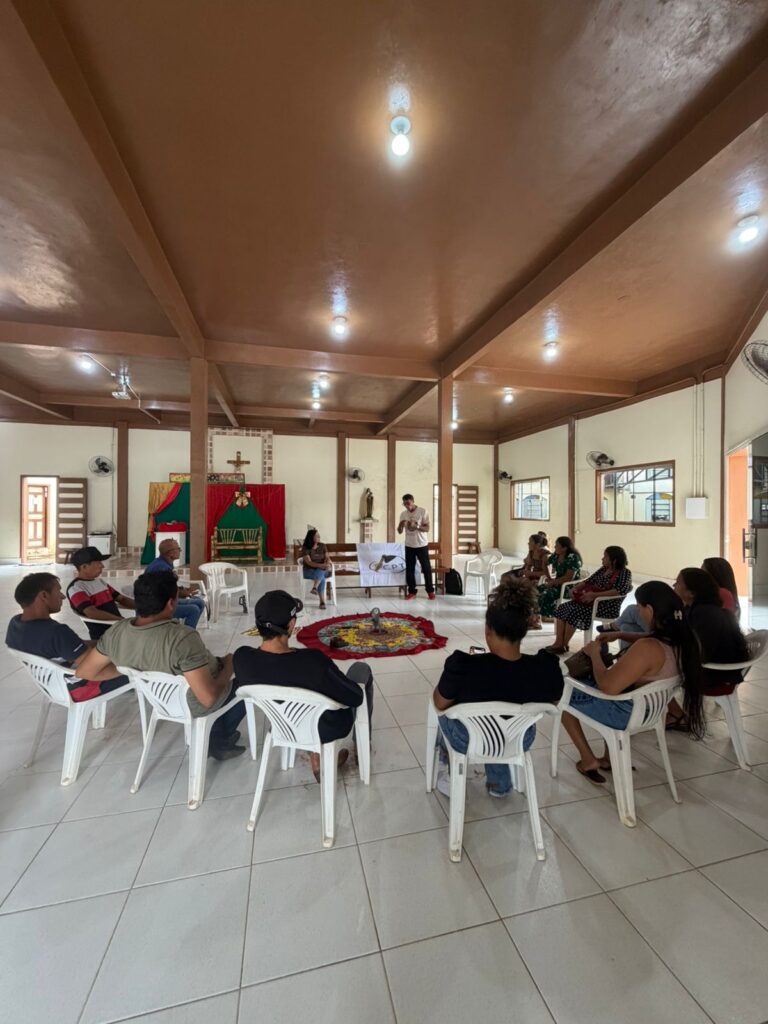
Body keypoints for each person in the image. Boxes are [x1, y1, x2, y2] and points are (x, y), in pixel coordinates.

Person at [75, 573, 244, 760]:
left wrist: (130, 669)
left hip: (162, 700)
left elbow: (85, 671)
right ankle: (219, 739)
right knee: (247, 675)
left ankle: (218, 731)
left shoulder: (117, 631)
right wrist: (230, 666)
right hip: (192, 703)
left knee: (219, 665)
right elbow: (207, 699)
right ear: (171, 603)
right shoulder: (182, 637)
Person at [432, 576, 564, 798]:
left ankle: (447, 769)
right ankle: (500, 783)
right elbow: (553, 700)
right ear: (524, 630)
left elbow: (439, 703)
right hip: (519, 739)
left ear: (488, 630)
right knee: (504, 719)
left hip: (470, 741)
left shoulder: (463, 666)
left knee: (446, 715)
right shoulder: (546, 667)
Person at [561, 580, 704, 784]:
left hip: (626, 712)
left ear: (650, 610)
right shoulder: (685, 639)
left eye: (639, 606)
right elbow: (649, 636)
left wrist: (594, 655)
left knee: (562, 695)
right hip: (652, 710)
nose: (637, 610)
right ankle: (608, 759)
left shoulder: (647, 649)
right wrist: (620, 634)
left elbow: (607, 687)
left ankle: (588, 760)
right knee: (615, 685)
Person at [233, 591, 374, 780]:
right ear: (291, 625)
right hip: (327, 728)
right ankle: (360, 746)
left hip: (283, 726)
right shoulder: (312, 661)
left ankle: (316, 758)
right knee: (361, 670)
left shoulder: (242, 658)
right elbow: (355, 697)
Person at [5, 572, 129, 701]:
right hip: (78, 688)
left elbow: (74, 645)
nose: (63, 596)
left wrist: (110, 643)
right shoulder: (56, 632)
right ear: (44, 595)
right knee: (141, 667)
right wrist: (129, 670)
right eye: (58, 591)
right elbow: (92, 670)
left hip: (50, 685)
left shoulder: (16, 624)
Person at [666, 567, 750, 730]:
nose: (674, 585)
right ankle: (674, 713)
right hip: (720, 671)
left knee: (653, 671)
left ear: (692, 593)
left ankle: (676, 715)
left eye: (678, 583)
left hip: (714, 675)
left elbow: (698, 652)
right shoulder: (703, 610)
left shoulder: (703, 615)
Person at [546, 546, 632, 655]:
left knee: (574, 612)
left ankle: (563, 644)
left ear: (614, 560)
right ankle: (559, 643)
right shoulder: (603, 569)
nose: (602, 559)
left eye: (605, 556)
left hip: (605, 605)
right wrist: (576, 587)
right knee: (563, 607)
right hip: (588, 601)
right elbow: (588, 581)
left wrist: (595, 595)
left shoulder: (624, 573)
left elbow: (620, 590)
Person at [66, 546, 135, 640]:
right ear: (84, 567)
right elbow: (92, 613)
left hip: (118, 627)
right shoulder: (76, 588)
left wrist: (145, 606)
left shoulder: (100, 582)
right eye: (98, 563)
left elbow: (121, 599)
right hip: (105, 634)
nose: (102, 566)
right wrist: (121, 620)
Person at [144, 538, 207, 628]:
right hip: (156, 608)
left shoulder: (163, 564)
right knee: (194, 610)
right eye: (178, 549)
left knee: (200, 603)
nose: (180, 551)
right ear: (171, 553)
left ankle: (184, 631)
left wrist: (183, 590)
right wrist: (183, 593)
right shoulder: (162, 568)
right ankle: (185, 637)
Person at [536, 536, 582, 624]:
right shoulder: (556, 555)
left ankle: (550, 616)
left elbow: (569, 578)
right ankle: (538, 616)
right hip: (557, 583)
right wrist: (549, 578)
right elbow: (545, 563)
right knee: (536, 590)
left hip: (568, 587)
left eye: (557, 546)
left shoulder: (573, 558)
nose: (554, 547)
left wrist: (552, 582)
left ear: (564, 548)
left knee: (547, 593)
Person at [398, 494, 435, 601]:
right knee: (410, 569)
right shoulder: (403, 514)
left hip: (421, 545)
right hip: (409, 545)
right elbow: (400, 531)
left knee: (426, 568)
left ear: (413, 501)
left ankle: (430, 591)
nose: (406, 506)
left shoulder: (423, 511)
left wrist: (417, 526)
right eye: (404, 504)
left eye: (408, 503)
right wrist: (400, 525)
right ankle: (412, 591)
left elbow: (427, 528)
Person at [300, 528, 333, 610]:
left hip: (322, 570)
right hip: (308, 571)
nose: (319, 537)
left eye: (319, 535)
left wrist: (328, 562)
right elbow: (309, 563)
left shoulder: (323, 545)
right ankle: (322, 601)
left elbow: (327, 557)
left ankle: (315, 588)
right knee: (321, 574)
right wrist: (321, 565)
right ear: (311, 537)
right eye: (317, 536)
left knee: (321, 571)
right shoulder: (305, 548)